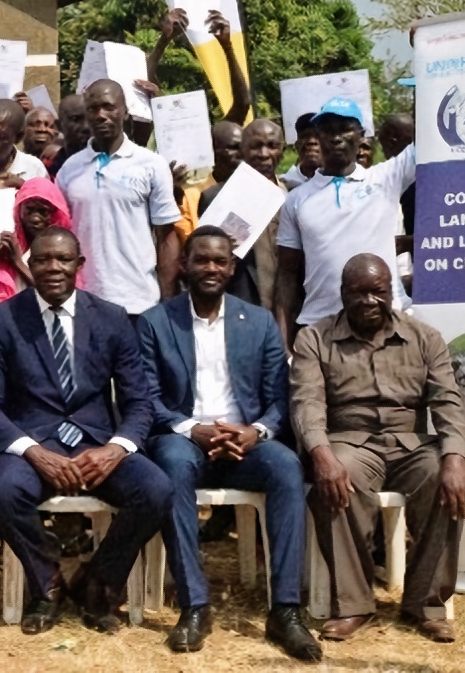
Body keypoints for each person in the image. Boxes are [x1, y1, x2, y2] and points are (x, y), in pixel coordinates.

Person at [0, 228, 170, 635]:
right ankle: (47, 583)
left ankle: (97, 583)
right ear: (30, 264)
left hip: (98, 445)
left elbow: (139, 401)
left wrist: (117, 448)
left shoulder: (112, 318)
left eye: (63, 260)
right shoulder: (3, 319)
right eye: (42, 259)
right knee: (4, 492)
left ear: (79, 266)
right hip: (34, 443)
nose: (53, 268)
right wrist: (32, 451)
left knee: (156, 489)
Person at [136, 227, 321, 660]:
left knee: (286, 467)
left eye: (220, 261)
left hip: (247, 441)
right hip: (184, 439)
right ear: (184, 266)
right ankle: (195, 606)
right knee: (172, 469)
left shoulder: (256, 321)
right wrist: (191, 428)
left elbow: (280, 398)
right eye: (201, 259)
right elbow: (145, 399)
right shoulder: (155, 321)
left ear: (232, 267)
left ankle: (286, 610)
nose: (211, 268)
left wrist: (256, 432)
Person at [291, 254, 465, 643]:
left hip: (411, 444)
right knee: (338, 479)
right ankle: (353, 604)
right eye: (359, 292)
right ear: (342, 294)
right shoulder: (315, 338)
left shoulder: (425, 338)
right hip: (349, 441)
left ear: (391, 292)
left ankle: (426, 604)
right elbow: (307, 402)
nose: (369, 301)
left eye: (378, 292)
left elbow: (448, 403)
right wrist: (321, 454)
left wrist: (457, 457)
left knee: (446, 478)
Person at [276, 98, 415, 347]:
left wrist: (429, 79)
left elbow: (428, 137)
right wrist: (284, 344)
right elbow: (286, 274)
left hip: (387, 321)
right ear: (318, 135)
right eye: (328, 129)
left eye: (345, 128)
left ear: (361, 135)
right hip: (323, 329)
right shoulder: (296, 200)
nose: (336, 137)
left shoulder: (386, 178)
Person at [56, 79, 181, 317]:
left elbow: (167, 238)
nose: (101, 115)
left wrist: (167, 303)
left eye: (108, 107)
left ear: (124, 111)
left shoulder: (151, 165)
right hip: (83, 304)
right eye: (93, 109)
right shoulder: (69, 170)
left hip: (140, 303)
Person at [0, 177, 80, 339]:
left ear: (54, 213)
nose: (35, 218)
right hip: (6, 334)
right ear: (19, 210)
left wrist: (17, 262)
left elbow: (60, 298)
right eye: (30, 210)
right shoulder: (5, 245)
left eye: (43, 211)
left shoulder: (61, 252)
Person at [199, 118, 288, 308]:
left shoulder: (295, 195)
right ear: (242, 151)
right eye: (256, 146)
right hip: (241, 308)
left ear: (282, 152)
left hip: (289, 308)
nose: (264, 154)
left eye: (272, 146)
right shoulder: (215, 198)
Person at [47, 93, 91, 179]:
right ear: (59, 126)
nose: (86, 126)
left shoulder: (109, 163)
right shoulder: (49, 167)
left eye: (90, 119)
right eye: (75, 119)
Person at [280, 119, 321, 190]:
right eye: (305, 136)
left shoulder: (340, 182)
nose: (311, 141)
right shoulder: (282, 185)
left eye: (318, 136)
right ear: (296, 145)